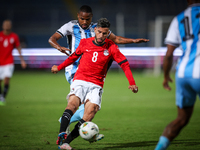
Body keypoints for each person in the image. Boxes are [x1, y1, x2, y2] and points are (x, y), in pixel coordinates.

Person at [48, 5, 148, 142]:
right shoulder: (70, 26)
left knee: (89, 108)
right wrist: (59, 49)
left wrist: (134, 41)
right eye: (82, 18)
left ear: (91, 19)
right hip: (75, 69)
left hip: (94, 72)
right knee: (78, 103)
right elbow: (52, 39)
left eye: (87, 19)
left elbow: (116, 39)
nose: (84, 21)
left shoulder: (98, 28)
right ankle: (74, 127)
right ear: (78, 16)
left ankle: (75, 125)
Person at [155, 0, 200, 149]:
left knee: (181, 119)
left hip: (182, 73)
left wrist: (166, 76)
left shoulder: (179, 18)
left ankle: (160, 147)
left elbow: (169, 54)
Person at [0, 19, 27, 105]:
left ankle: (3, 97)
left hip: (9, 62)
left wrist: (22, 60)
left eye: (8, 24)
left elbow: (18, 48)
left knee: (7, 79)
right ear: (3, 26)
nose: (7, 26)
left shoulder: (14, 36)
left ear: (10, 26)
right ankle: (1, 95)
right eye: (5, 24)